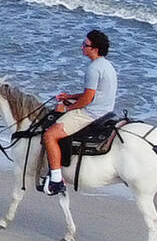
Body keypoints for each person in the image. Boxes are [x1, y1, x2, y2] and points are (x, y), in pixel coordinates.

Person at [40, 28, 118, 196]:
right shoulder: (107, 65)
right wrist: (70, 96)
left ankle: (56, 180)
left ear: (95, 49)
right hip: (106, 110)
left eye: (86, 45)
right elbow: (94, 93)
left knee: (49, 135)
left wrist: (67, 108)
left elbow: (88, 99)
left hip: (91, 113)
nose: (82, 47)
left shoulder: (93, 68)